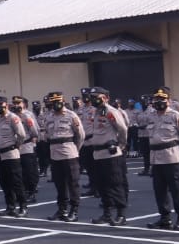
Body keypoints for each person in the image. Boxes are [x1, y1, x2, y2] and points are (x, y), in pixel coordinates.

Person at [143, 88, 179, 230]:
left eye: (162, 99)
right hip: (156, 159)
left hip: (172, 157)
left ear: (169, 101)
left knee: (177, 189)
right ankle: (164, 218)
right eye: (157, 100)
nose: (159, 102)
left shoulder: (176, 116)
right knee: (160, 190)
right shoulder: (150, 116)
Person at [87, 87, 129, 225]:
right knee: (102, 185)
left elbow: (122, 129)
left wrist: (121, 145)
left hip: (110, 154)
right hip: (98, 154)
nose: (93, 99)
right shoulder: (97, 112)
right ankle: (107, 213)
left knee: (115, 184)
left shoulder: (111, 111)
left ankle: (121, 215)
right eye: (92, 97)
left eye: (96, 96)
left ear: (106, 98)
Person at [41, 90, 85, 221]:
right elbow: (47, 135)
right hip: (55, 154)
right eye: (53, 102)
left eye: (58, 101)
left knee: (73, 184)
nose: (56, 104)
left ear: (63, 101)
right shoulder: (48, 117)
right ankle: (62, 209)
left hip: (69, 153)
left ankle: (74, 210)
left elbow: (81, 135)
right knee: (59, 185)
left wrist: (74, 149)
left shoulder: (71, 116)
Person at [0, 96, 28, 217]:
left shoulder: (13, 118)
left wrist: (16, 146)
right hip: (1, 156)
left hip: (11, 154)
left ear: (6, 105)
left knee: (16, 182)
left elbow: (21, 135)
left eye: (0, 105)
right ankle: (10, 207)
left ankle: (23, 207)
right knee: (5, 183)